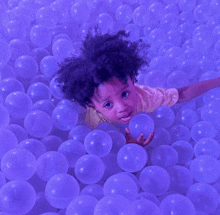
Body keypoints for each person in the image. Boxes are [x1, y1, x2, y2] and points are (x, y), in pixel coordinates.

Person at [56, 25, 220, 147]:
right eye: (108, 104)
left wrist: (217, 81)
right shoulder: (92, 123)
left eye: (125, 94)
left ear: (133, 80)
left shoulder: (146, 98)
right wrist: (128, 147)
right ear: (94, 106)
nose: (122, 107)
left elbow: (182, 94)